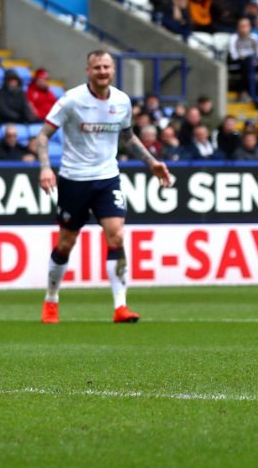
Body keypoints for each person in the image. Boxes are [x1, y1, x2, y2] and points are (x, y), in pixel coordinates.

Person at [35, 50, 173, 324]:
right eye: (96, 67)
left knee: (117, 236)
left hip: (107, 177)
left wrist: (151, 162)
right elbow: (42, 135)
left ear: (113, 70)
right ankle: (51, 300)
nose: (102, 71)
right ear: (88, 70)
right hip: (74, 179)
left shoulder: (122, 101)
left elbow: (128, 136)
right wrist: (45, 167)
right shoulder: (72, 100)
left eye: (106, 67)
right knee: (66, 243)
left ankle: (120, 307)